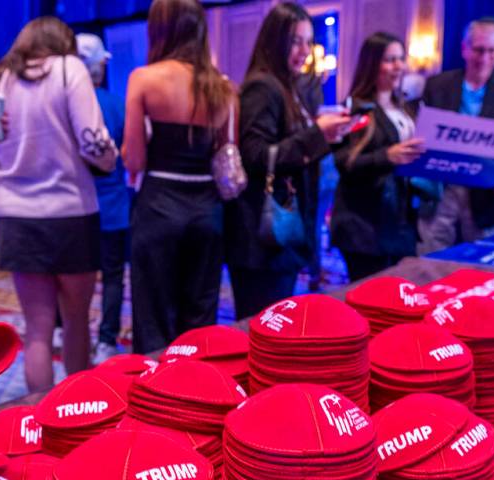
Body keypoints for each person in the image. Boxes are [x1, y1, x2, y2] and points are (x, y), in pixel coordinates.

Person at [0, 18, 116, 393]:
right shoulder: (71, 69)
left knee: (37, 332)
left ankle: (40, 417)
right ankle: (76, 415)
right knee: (76, 322)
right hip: (70, 213)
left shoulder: (0, 80)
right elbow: (93, 141)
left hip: (16, 218)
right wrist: (110, 159)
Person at [224, 2, 351, 319]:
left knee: (273, 325)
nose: (304, 51)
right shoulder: (263, 86)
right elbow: (255, 156)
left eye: (309, 42)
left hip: (280, 234)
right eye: (295, 41)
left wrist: (326, 136)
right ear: (274, 41)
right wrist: (317, 135)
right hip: (262, 236)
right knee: (259, 329)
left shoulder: (290, 88)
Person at [122, 0, 235, 353]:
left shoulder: (143, 79)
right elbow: (227, 156)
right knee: (200, 319)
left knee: (153, 319)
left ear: (158, 29)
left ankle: (156, 400)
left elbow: (135, 160)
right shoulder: (224, 87)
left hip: (158, 208)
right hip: (207, 212)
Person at [416, 16, 494, 253]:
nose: (485, 58)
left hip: (484, 192)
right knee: (429, 255)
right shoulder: (437, 85)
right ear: (464, 49)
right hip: (441, 188)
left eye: (492, 51)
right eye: (479, 50)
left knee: (483, 257)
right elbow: (421, 132)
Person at [331, 32, 425, 281]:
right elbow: (344, 163)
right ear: (372, 64)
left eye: (400, 59)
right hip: (364, 227)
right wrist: (387, 156)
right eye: (389, 60)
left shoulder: (406, 108)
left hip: (401, 222)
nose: (397, 66)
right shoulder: (354, 109)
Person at [76, 33, 131, 366]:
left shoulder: (64, 104)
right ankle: (106, 339)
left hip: (75, 208)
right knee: (112, 276)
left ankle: (66, 331)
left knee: (72, 278)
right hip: (112, 207)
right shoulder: (115, 104)